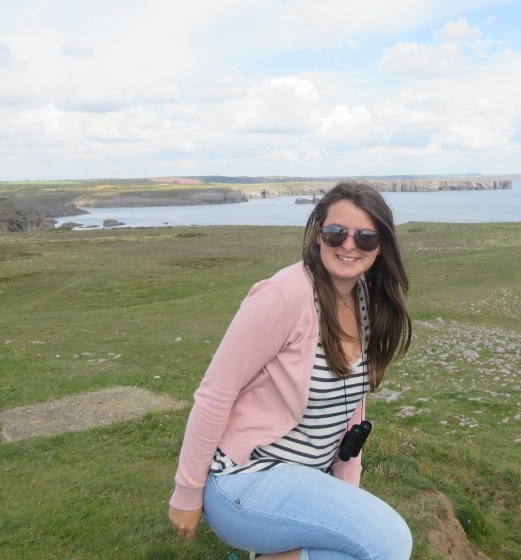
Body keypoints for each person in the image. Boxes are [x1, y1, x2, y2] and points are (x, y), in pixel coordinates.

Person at [168, 180, 413, 560]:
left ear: (381, 246)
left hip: (303, 481)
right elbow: (216, 393)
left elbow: (350, 408)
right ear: (318, 235)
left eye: (365, 238)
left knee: (365, 551)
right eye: (336, 233)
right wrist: (185, 493)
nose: (349, 246)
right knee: (390, 543)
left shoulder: (365, 300)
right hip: (244, 478)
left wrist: (348, 493)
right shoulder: (284, 295)